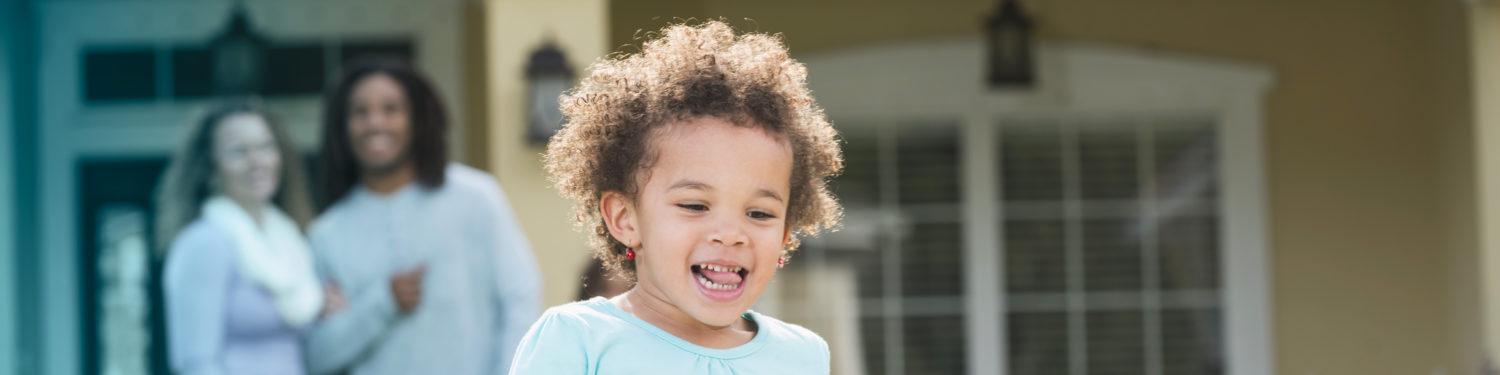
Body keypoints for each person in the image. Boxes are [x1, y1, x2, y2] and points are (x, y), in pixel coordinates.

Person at [512, 21, 845, 374]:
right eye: (695, 205)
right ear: (625, 218)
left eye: (760, 213)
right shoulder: (578, 338)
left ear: (783, 235)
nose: (730, 233)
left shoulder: (803, 356)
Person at [303, 56, 542, 375]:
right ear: (342, 127)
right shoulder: (327, 233)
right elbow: (317, 357)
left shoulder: (476, 197)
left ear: (416, 120)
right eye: (360, 112)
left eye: (391, 109)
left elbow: (520, 302)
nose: (375, 123)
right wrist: (383, 302)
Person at [157, 100, 332, 375]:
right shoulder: (203, 243)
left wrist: (326, 310)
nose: (257, 161)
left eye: (265, 147)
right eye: (238, 151)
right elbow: (196, 363)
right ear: (211, 168)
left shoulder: (289, 241)